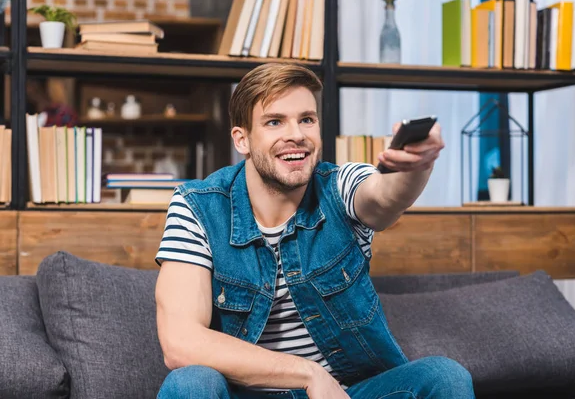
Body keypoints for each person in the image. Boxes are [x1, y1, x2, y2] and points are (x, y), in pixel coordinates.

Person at [153, 63, 475, 399]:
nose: (297, 134)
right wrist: (307, 374)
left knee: (443, 376)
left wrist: (416, 166)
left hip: (346, 395)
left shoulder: (339, 187)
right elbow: (180, 342)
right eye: (275, 121)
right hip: (254, 394)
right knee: (189, 383)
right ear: (242, 139)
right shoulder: (198, 208)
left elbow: (383, 196)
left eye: (307, 119)